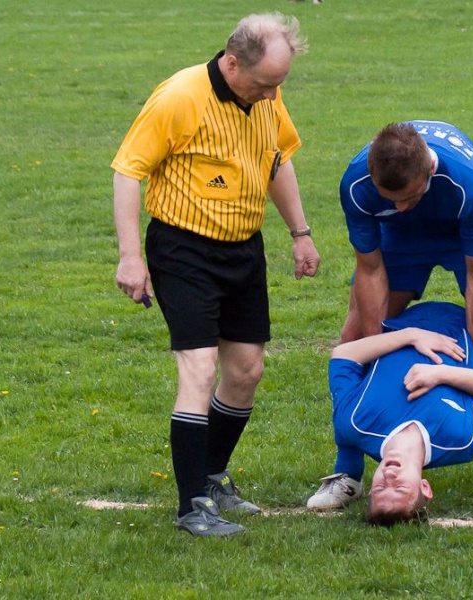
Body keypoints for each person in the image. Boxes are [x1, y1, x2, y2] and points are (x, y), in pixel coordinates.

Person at [111, 13, 319, 537]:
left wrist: (300, 232)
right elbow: (128, 170)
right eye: (266, 83)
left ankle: (212, 473)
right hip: (184, 249)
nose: (274, 96)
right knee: (200, 370)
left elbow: (276, 159)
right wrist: (130, 256)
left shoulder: (265, 99)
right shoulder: (180, 97)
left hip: (243, 249)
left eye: (280, 84)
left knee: (246, 371)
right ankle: (192, 505)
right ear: (231, 62)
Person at [337, 120, 473, 514]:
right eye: (392, 199)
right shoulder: (357, 185)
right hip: (401, 238)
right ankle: (347, 473)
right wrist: (374, 350)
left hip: (467, 235)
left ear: (431, 172)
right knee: (355, 334)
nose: (401, 206)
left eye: (408, 197)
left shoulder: (468, 185)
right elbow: (370, 270)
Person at [308, 301, 473, 525]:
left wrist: (410, 335)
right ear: (425, 487)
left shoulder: (355, 423)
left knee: (365, 279)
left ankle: (348, 474)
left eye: (380, 487)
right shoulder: (462, 440)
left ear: (371, 489)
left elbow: (343, 355)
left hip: (393, 314)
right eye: (399, 487)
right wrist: (441, 374)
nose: (389, 477)